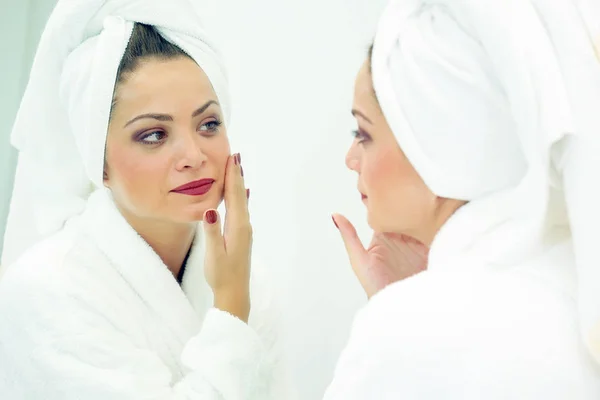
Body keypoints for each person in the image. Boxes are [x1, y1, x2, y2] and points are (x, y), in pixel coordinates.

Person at [0, 0, 287, 398]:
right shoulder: (44, 291)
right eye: (153, 135)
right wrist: (232, 310)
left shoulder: (250, 280)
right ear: (97, 163)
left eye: (208, 124)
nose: (193, 155)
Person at [325, 0, 600, 398]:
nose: (351, 160)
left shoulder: (409, 333)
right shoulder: (577, 285)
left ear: (439, 142)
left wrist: (395, 316)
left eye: (363, 134)